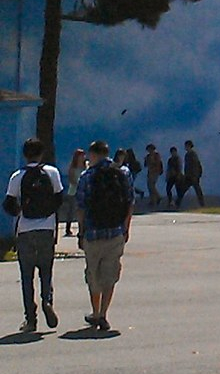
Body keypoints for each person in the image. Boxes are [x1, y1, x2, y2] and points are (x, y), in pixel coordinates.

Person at [3, 138, 64, 332]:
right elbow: (59, 198)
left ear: (24, 154)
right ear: (41, 153)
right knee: (46, 272)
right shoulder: (52, 172)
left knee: (26, 276)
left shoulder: (17, 176)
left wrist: (20, 211)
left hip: (25, 230)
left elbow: (8, 204)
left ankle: (30, 318)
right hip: (46, 228)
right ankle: (47, 300)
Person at [76, 139, 134, 331]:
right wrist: (126, 228)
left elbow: (82, 207)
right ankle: (103, 313)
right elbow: (129, 202)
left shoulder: (86, 176)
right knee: (110, 274)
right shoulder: (123, 173)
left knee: (93, 275)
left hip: (93, 233)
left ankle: (95, 311)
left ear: (93, 154)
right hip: (116, 232)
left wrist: (81, 231)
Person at [62, 148, 87, 238]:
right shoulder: (73, 167)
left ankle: (83, 228)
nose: (83, 157)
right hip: (73, 191)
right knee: (71, 210)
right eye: (81, 156)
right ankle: (68, 228)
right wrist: (80, 183)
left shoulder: (85, 166)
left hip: (83, 191)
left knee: (83, 210)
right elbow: (71, 179)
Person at [177, 140, 205, 207]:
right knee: (184, 189)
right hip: (189, 176)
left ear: (189, 146)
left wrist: (197, 175)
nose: (185, 147)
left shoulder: (192, 154)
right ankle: (177, 203)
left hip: (193, 176)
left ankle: (202, 203)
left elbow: (196, 165)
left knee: (196, 190)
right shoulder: (188, 155)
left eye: (186, 146)